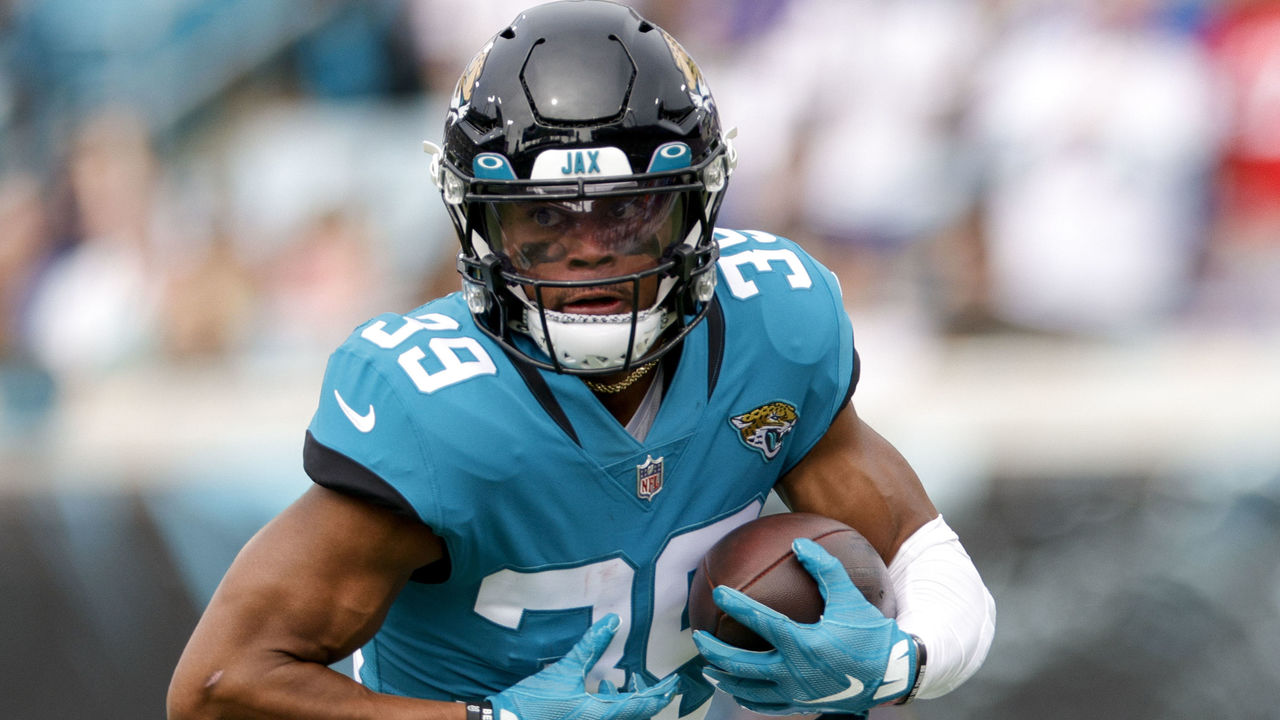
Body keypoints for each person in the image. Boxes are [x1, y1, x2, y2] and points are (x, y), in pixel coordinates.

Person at [167, 2, 996, 720]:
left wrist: (901, 662)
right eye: (546, 223)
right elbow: (216, 686)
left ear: (697, 211)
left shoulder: (770, 328)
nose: (592, 253)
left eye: (630, 214)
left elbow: (934, 563)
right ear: (480, 228)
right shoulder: (438, 412)